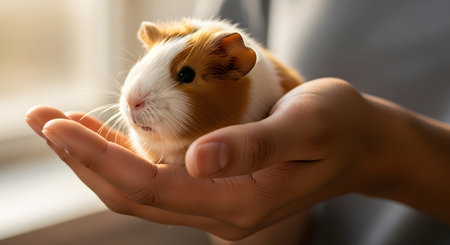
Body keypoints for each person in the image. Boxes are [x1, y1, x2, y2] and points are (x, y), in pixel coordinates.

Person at [25, 0, 450, 244]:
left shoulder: (243, 75)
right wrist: (250, 219)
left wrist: (389, 151)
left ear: (235, 67)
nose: (133, 101)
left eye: (186, 77)